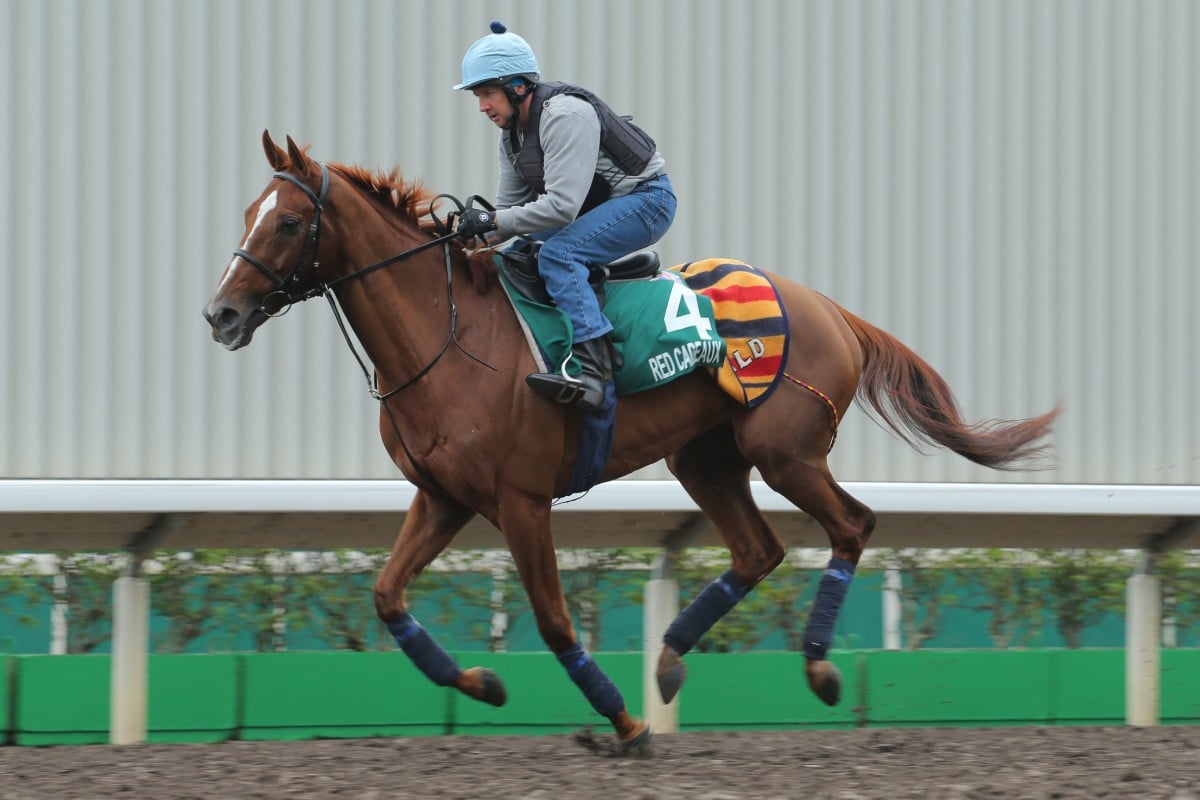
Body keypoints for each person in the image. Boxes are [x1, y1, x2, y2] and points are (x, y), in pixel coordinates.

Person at [453, 21, 677, 413]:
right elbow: (508, 218)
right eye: (478, 95)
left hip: (647, 201)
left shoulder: (564, 114)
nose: (482, 106)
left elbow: (560, 208)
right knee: (515, 253)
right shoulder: (511, 137)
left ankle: (596, 369)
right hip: (602, 207)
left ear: (518, 86)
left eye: (488, 93)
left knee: (559, 255)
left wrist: (491, 222)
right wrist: (460, 240)